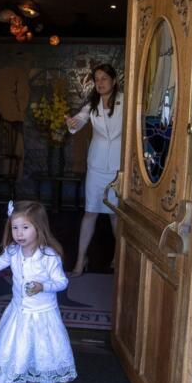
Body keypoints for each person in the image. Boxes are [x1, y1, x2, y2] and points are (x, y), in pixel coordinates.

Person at [0, 200, 76, 383]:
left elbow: (62, 282)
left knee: (43, 349)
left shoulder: (49, 256)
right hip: (18, 312)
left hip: (42, 314)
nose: (19, 233)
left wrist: (43, 286)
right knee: (8, 349)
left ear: (38, 228)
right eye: (15, 228)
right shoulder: (13, 251)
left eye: (25, 227)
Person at [65, 63, 123, 277]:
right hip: (97, 165)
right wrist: (73, 122)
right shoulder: (92, 102)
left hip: (118, 165)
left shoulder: (125, 101)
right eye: (97, 79)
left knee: (116, 215)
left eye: (104, 79)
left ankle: (120, 257)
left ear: (114, 81)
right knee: (90, 212)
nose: (100, 83)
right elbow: (79, 119)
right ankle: (81, 260)